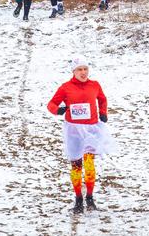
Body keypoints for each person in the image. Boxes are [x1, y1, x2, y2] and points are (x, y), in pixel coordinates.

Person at [47, 58, 117, 213]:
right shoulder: (65, 88)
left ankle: (90, 198)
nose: (83, 72)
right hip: (73, 132)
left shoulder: (95, 85)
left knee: (90, 164)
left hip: (91, 130)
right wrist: (57, 110)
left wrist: (103, 112)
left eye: (85, 69)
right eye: (80, 69)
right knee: (76, 166)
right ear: (73, 71)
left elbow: (102, 99)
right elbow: (51, 104)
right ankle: (78, 199)